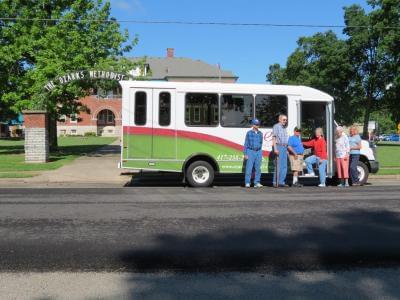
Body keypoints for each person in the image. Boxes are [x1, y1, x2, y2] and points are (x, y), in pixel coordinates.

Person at [243, 119, 263, 188]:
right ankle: (247, 182)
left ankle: (256, 182)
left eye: (258, 124)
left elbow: (261, 143)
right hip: (250, 151)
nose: (257, 125)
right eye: (256, 124)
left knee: (258, 168)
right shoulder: (249, 133)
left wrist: (260, 152)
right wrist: (245, 153)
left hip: (258, 151)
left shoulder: (260, 133)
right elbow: (246, 143)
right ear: (253, 125)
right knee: (249, 168)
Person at [272, 114, 289, 187]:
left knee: (284, 166)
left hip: (284, 147)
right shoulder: (276, 126)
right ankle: (275, 182)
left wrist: (287, 149)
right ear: (279, 119)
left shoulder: (284, 127)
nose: (285, 121)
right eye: (284, 119)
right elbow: (274, 138)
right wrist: (275, 148)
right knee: (278, 165)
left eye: (286, 120)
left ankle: (281, 182)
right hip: (279, 146)